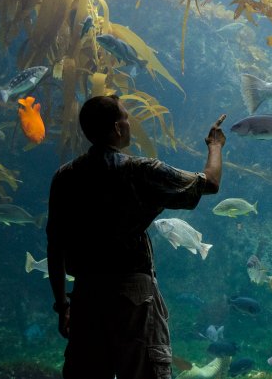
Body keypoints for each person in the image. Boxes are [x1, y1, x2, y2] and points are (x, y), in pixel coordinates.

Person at [46, 94, 226, 379]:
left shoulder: (64, 177)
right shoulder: (140, 171)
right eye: (127, 118)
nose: (129, 125)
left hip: (86, 295)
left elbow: (54, 247)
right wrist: (215, 146)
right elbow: (209, 183)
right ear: (118, 128)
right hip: (133, 294)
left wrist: (62, 305)